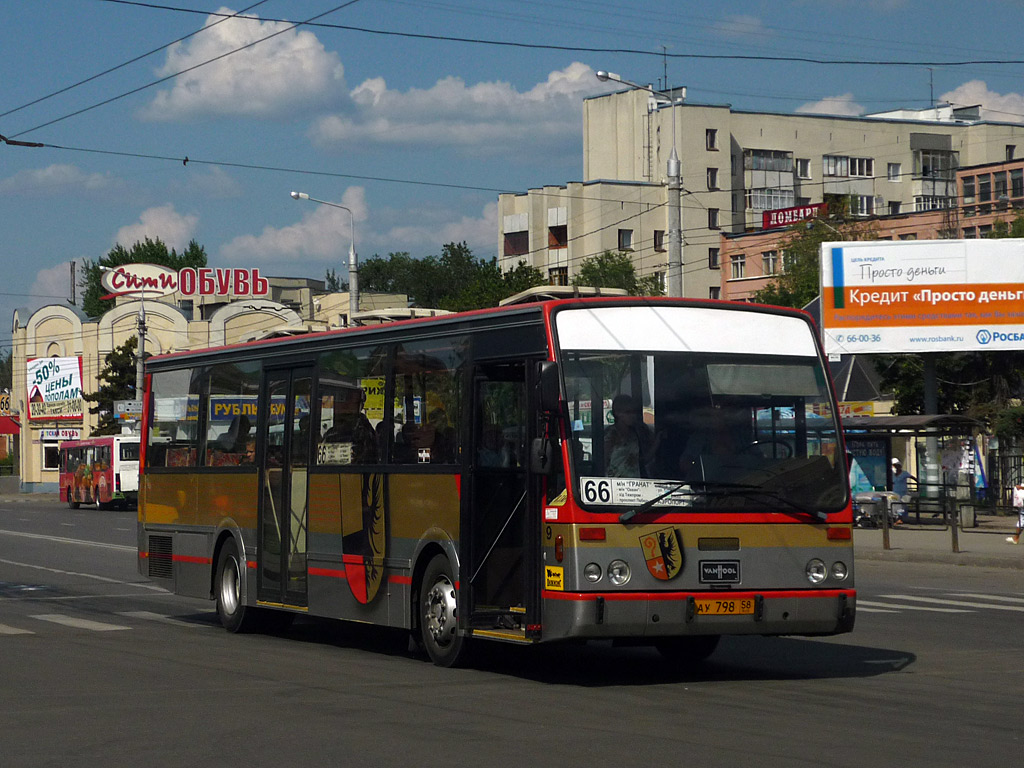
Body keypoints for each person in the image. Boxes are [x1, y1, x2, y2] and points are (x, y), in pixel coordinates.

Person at [604, 394, 657, 478]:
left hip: (635, 484)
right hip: (614, 483)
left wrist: (657, 442)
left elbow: (642, 461)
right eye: (628, 412)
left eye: (634, 412)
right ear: (617, 413)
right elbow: (604, 460)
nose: (633, 416)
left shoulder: (635, 434)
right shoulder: (611, 434)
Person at [892, 458, 916, 525]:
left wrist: (918, 484)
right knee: (896, 506)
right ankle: (899, 518)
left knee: (902, 505)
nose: (895, 467)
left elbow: (912, 477)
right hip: (895, 492)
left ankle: (901, 518)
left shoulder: (904, 473)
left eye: (896, 465)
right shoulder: (893, 475)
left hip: (902, 492)